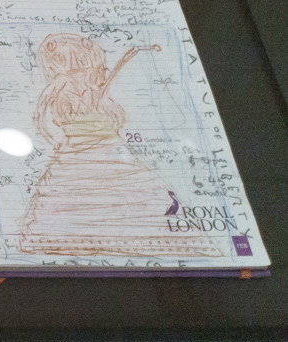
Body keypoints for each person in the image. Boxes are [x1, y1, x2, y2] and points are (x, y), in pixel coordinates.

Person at [17, 34, 212, 257]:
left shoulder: (92, 90)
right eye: (100, 67)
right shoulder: (64, 89)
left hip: (99, 153)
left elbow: (43, 120)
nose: (104, 72)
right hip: (83, 156)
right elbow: (40, 119)